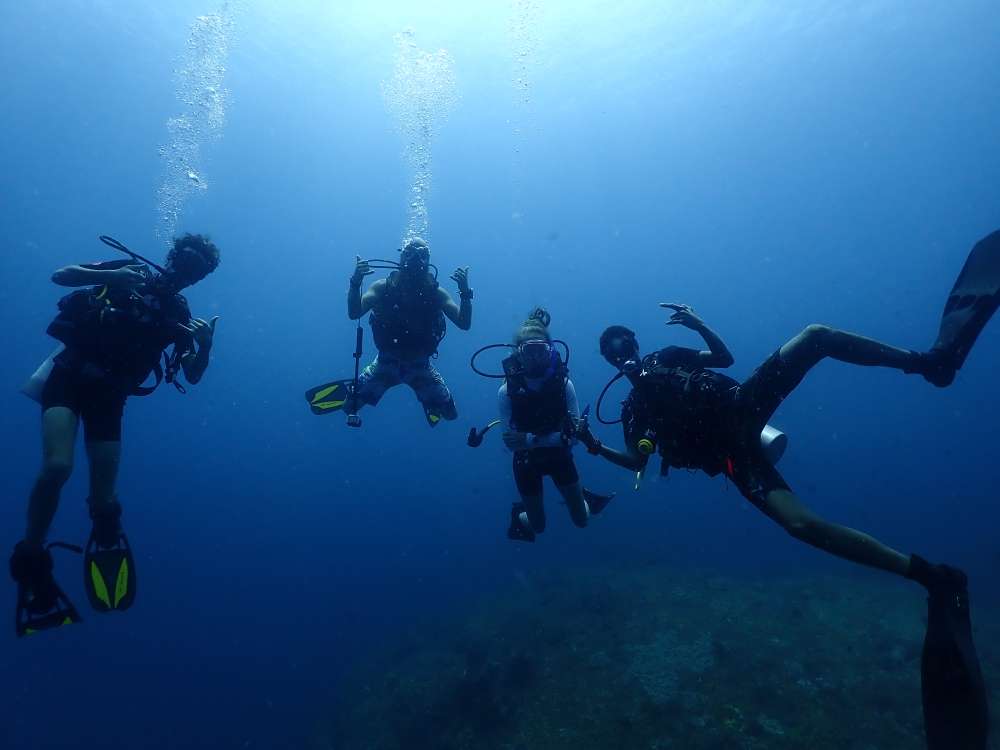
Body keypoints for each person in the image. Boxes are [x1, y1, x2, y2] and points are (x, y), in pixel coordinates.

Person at [581, 280, 996, 745]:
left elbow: (723, 359)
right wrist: (594, 446)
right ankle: (931, 576)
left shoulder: (669, 356)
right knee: (800, 524)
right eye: (613, 352)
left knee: (814, 335)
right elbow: (637, 460)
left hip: (740, 407)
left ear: (635, 343)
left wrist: (700, 325)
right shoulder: (632, 409)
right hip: (733, 457)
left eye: (625, 343)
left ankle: (930, 363)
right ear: (611, 362)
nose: (623, 352)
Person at [9, 234, 221, 636]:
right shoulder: (130, 273)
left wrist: (205, 346)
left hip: (110, 397)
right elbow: (60, 275)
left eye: (197, 269)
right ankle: (31, 557)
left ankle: (105, 529)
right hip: (68, 378)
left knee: (104, 499)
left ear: (199, 278)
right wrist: (111, 276)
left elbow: (191, 374)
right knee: (57, 466)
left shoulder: (179, 311)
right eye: (185, 260)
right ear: (173, 256)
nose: (185, 271)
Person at [500, 309, 612, 543]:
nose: (534, 358)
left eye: (540, 350)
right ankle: (519, 513)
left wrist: (530, 440)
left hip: (559, 457)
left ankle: (585, 498)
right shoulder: (506, 392)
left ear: (550, 351)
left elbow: (574, 436)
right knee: (537, 527)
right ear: (517, 354)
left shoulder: (564, 385)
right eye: (528, 351)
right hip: (526, 463)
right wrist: (555, 438)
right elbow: (510, 443)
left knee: (581, 520)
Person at [346, 237, 472, 426]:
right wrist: (356, 283)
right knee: (349, 408)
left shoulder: (436, 293)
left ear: (428, 261)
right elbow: (355, 312)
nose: (415, 259)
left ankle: (429, 402)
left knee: (451, 414)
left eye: (421, 255)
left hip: (420, 365)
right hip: (386, 361)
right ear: (401, 257)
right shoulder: (383, 287)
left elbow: (463, 323)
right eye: (410, 254)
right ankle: (429, 400)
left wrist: (465, 293)